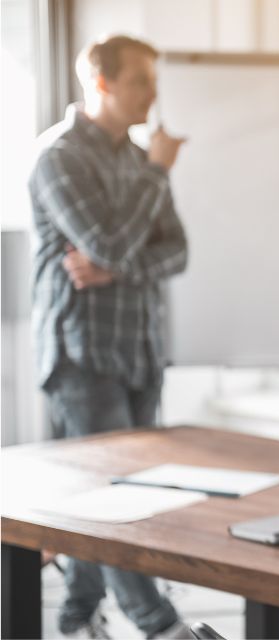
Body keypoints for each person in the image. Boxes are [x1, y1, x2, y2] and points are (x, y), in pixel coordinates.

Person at [29, 35, 191, 639]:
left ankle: (75, 618)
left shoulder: (135, 156)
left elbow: (177, 250)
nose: (154, 93)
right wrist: (155, 174)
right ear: (102, 83)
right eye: (142, 81)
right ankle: (159, 624)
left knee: (122, 497)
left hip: (141, 348)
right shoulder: (59, 156)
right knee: (112, 501)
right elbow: (112, 242)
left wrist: (117, 266)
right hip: (83, 355)